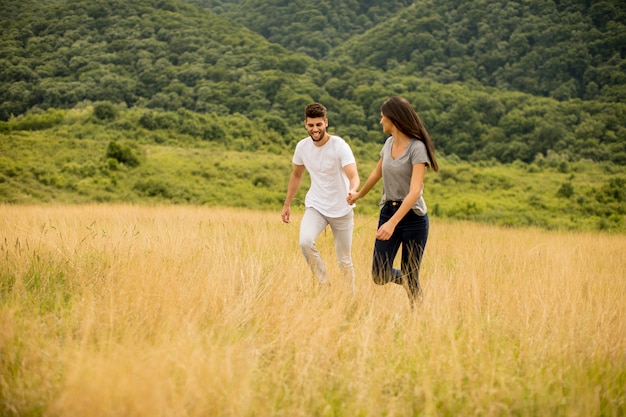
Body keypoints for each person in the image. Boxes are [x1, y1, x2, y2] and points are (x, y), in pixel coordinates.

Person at [347, 96, 439, 306]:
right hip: (388, 211)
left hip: (413, 218)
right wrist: (359, 194)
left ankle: (418, 316)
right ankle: (407, 281)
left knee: (411, 273)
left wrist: (393, 223)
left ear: (393, 120)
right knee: (379, 274)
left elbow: (415, 191)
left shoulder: (417, 148)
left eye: (382, 118)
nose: (380, 122)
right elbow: (377, 172)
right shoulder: (389, 143)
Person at [282, 102, 360, 292]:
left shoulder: (339, 145)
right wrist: (287, 204)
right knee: (305, 242)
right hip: (316, 206)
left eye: (318, 124)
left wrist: (353, 191)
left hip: (342, 209)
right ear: (305, 125)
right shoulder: (302, 147)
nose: (315, 129)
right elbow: (296, 175)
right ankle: (325, 284)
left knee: (344, 260)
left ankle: (350, 297)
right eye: (311, 125)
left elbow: (353, 175)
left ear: (325, 122)